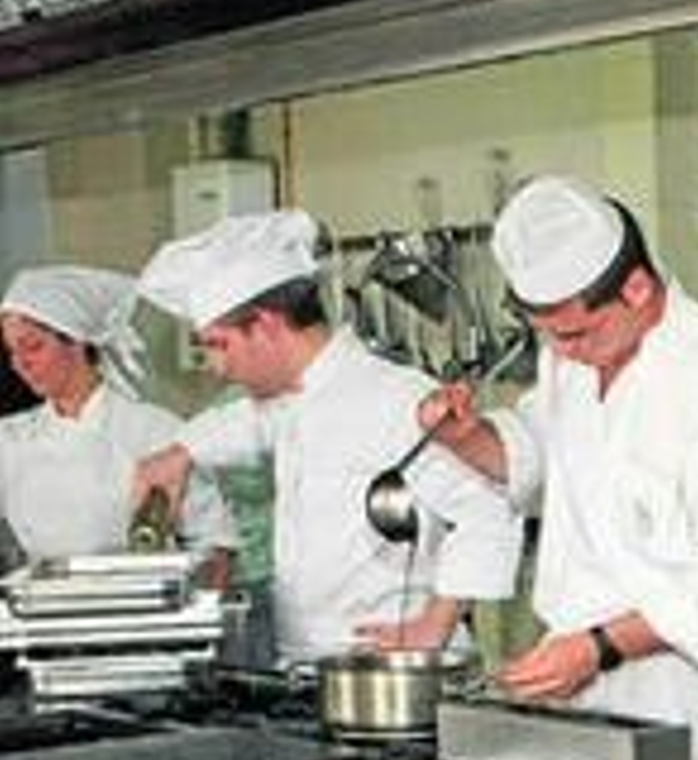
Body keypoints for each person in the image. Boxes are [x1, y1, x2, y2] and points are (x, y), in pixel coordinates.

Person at [417, 174, 698, 760]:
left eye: (575, 334)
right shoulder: (579, 358)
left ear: (637, 289)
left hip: (669, 688)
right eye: (549, 338)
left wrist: (601, 648)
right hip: (570, 664)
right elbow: (537, 456)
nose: (562, 354)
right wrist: (465, 437)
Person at [132, 209, 521, 664]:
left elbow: (489, 508)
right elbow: (249, 423)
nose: (217, 367)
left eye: (219, 344)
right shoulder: (293, 402)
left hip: (394, 674)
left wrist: (435, 624)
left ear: (265, 325)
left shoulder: (392, 398)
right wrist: (181, 453)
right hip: (310, 668)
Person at [0, 264, 234, 569]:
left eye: (33, 347)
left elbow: (216, 544)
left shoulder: (154, 431)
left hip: (143, 609)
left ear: (78, 343)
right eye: (10, 352)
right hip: (39, 610)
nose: (20, 365)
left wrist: (197, 609)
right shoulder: (9, 439)